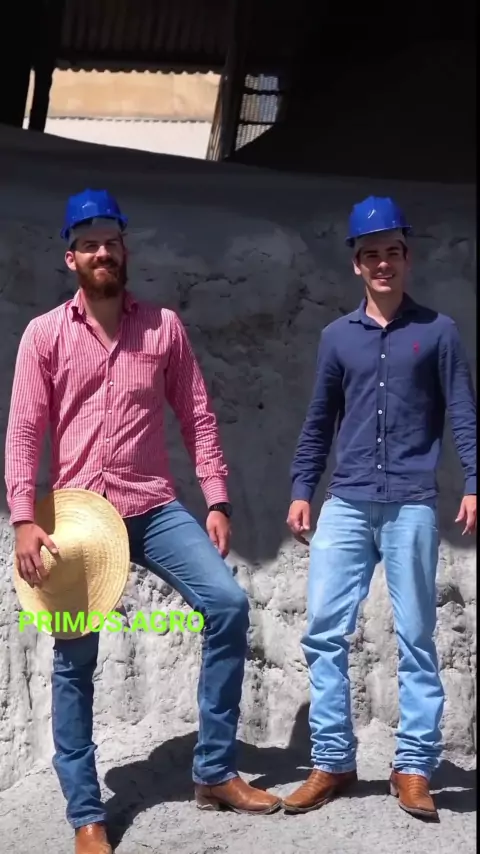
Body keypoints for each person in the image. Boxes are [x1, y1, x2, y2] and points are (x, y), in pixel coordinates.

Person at [5, 189, 281, 854]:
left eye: (111, 241)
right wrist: (22, 518)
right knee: (75, 657)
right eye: (89, 243)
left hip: (152, 506)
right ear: (71, 256)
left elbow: (197, 414)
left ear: (125, 249)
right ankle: (86, 812)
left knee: (227, 605)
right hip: (79, 520)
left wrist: (216, 498)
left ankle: (214, 771)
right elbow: (24, 431)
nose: (102, 252)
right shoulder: (45, 335)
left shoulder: (163, 328)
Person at [282, 196, 477, 821]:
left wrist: (474, 481)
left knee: (416, 636)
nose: (383, 263)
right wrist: (302, 488)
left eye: (393, 251)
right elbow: (320, 419)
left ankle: (413, 767)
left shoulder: (439, 332)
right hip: (346, 501)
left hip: (411, 503)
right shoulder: (337, 338)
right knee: (323, 632)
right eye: (372, 254)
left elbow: (464, 413)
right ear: (357, 264)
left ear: (407, 257)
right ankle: (333, 760)